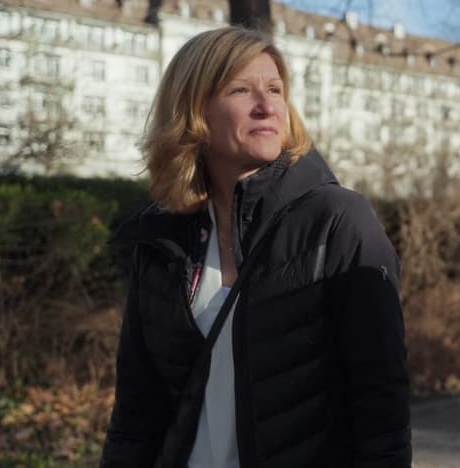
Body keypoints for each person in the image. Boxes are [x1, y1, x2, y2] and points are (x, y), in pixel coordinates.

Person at [100, 26, 411, 467]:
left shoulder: (337, 221)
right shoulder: (161, 241)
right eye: (241, 90)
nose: (267, 106)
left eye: (275, 89)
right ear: (194, 110)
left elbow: (382, 410)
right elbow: (137, 411)